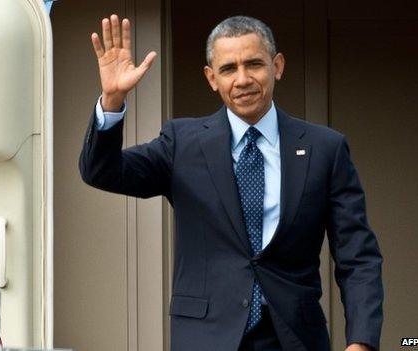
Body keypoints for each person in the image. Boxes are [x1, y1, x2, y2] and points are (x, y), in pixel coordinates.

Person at [79, 15, 383, 351]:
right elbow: (102, 171)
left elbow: (358, 257)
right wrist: (112, 101)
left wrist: (362, 342)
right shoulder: (182, 142)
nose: (242, 79)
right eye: (228, 69)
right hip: (206, 337)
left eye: (254, 64)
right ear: (211, 78)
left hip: (294, 337)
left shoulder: (324, 148)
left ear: (277, 65)